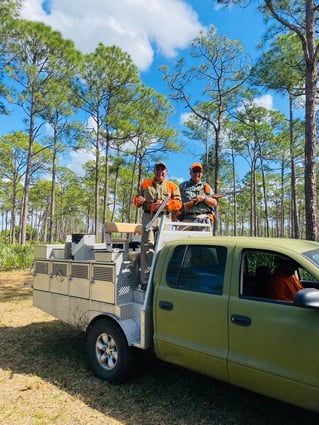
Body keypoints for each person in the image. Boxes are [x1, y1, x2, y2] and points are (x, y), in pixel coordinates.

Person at [134, 161, 182, 290]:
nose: (160, 171)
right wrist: (139, 201)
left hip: (164, 217)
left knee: (163, 247)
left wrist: (166, 204)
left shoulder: (172, 186)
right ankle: (145, 281)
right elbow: (136, 200)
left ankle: (161, 278)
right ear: (154, 171)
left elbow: (178, 203)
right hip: (148, 216)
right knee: (147, 246)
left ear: (166, 172)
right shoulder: (145, 184)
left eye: (163, 169)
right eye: (158, 169)